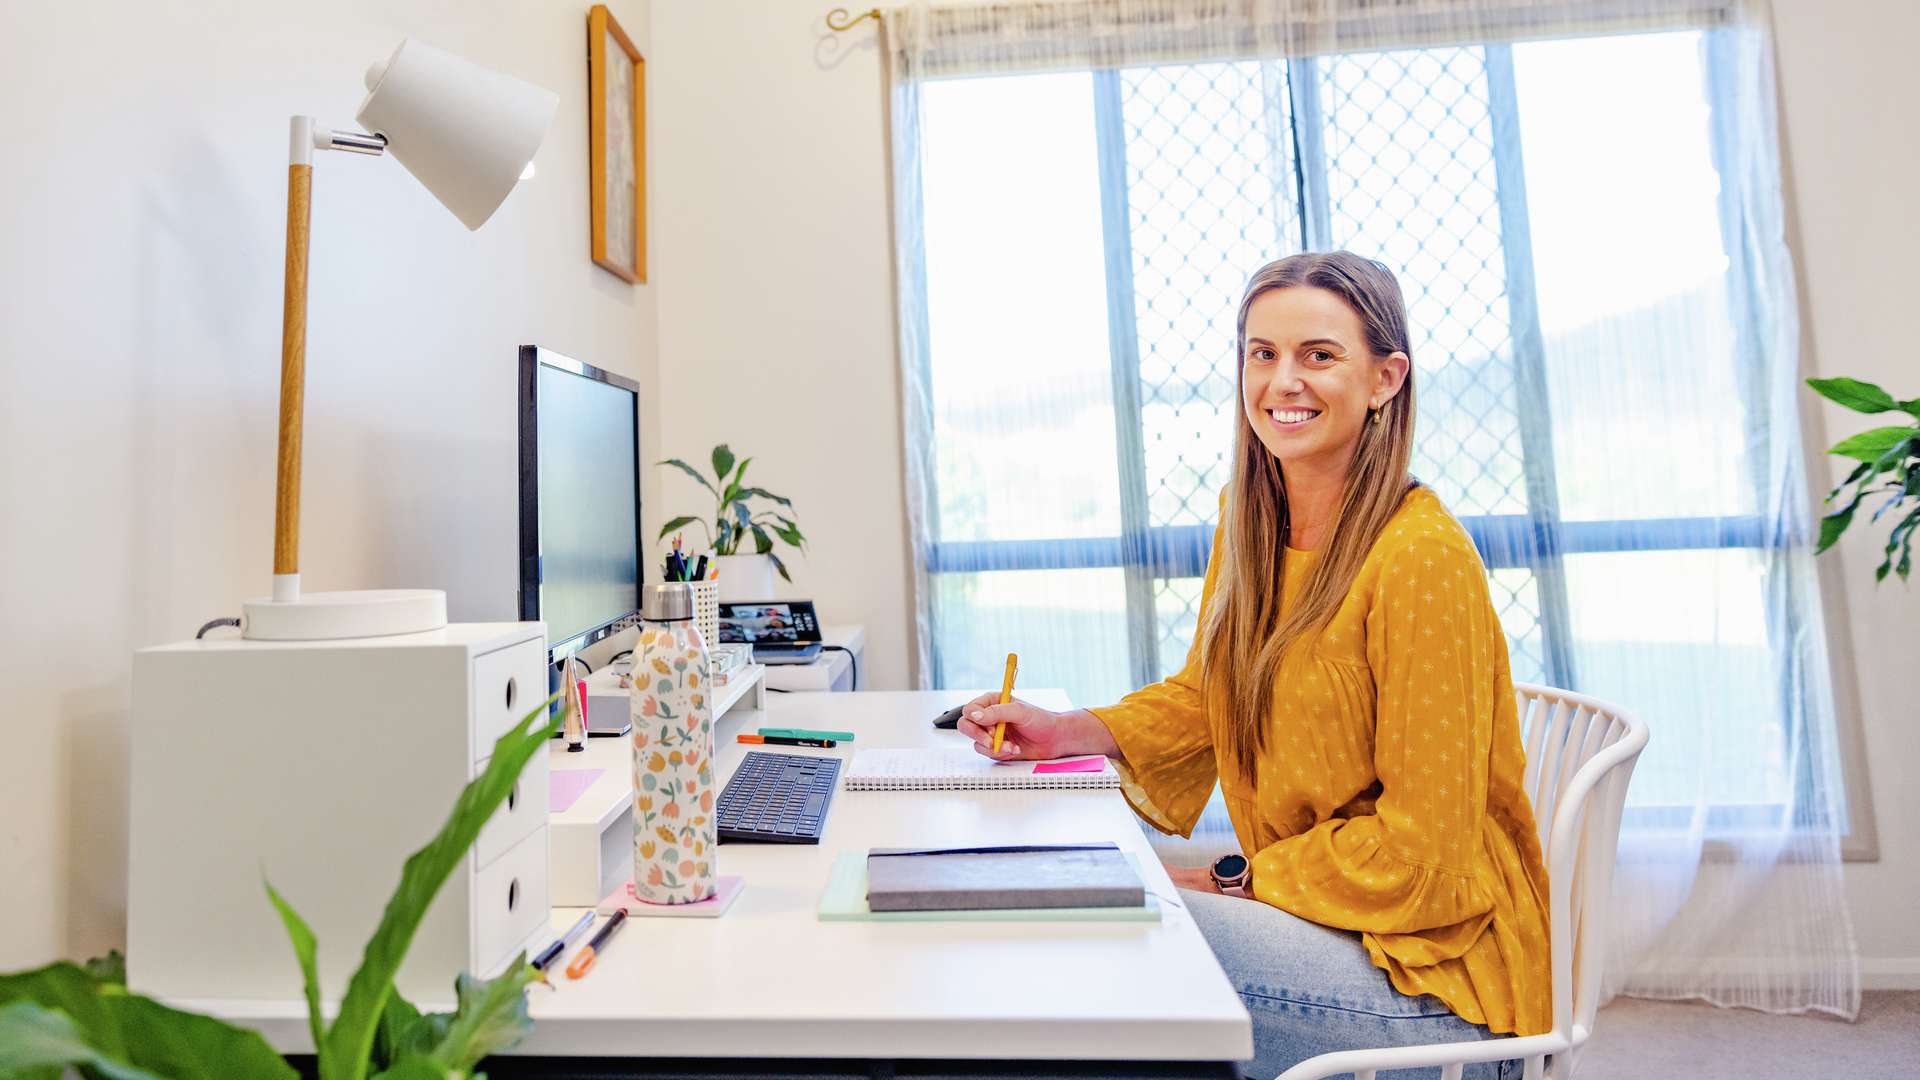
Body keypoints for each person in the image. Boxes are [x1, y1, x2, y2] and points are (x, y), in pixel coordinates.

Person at [957, 252, 1547, 1080]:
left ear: (1386, 378)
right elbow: (1210, 696)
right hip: (1325, 923)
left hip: (1433, 982)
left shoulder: (1420, 558)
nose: (1282, 381)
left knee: (1119, 939)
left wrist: (1238, 878)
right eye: (1261, 353)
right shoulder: (1250, 517)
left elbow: (1426, 862)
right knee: (1083, 907)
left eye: (1319, 355)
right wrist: (1067, 731)